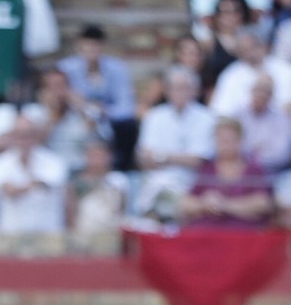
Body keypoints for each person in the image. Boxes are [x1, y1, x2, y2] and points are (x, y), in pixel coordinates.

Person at [134, 66, 216, 222]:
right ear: (167, 91)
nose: (182, 93)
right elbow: (144, 160)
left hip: (193, 185)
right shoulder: (154, 117)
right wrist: (180, 159)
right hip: (157, 184)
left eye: (186, 88)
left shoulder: (207, 118)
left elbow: (199, 160)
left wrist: (161, 157)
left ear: (195, 90)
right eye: (177, 88)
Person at [56, 23, 138, 171]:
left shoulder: (117, 69)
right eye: (88, 45)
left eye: (96, 45)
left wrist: (104, 111)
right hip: (75, 118)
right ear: (79, 45)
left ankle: (121, 170)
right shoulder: (65, 68)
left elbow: (127, 107)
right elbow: (58, 96)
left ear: (102, 46)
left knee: (129, 126)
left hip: (107, 121)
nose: (92, 49)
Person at [179, 116, 275, 228]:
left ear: (239, 141)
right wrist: (205, 204)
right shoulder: (207, 168)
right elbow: (186, 203)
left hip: (242, 234)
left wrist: (225, 205)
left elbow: (263, 204)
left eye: (229, 140)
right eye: (220, 140)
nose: (224, 145)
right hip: (207, 233)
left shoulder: (254, 169)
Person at [0, 114, 68, 233]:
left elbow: (50, 183)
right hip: (11, 236)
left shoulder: (54, 162)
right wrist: (32, 185)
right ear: (13, 137)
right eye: (19, 136)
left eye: (28, 135)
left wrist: (21, 187)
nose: (24, 141)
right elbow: (8, 190)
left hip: (47, 236)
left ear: (36, 136)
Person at [68, 138, 131, 233]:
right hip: (84, 236)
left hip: (110, 235)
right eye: (93, 155)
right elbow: (70, 216)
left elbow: (121, 212)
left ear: (110, 156)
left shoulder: (118, 181)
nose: (97, 159)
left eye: (101, 155)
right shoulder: (75, 183)